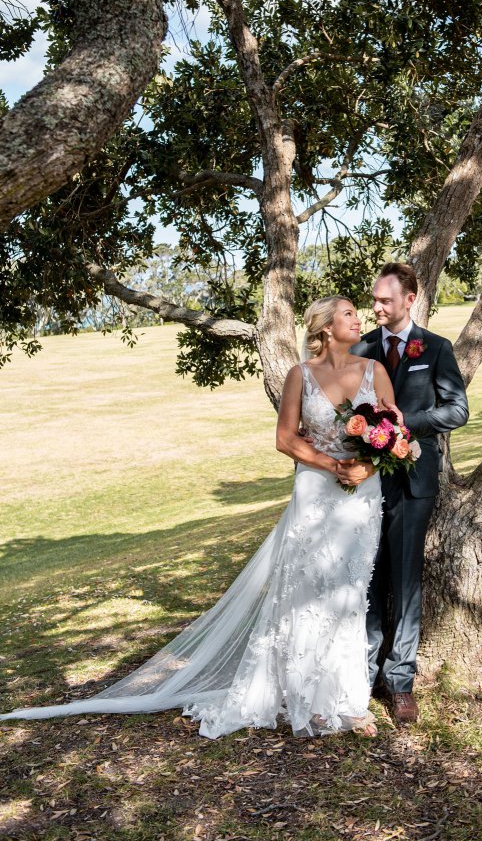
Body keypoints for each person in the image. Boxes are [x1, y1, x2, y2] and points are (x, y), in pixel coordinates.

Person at [0, 296, 396, 739]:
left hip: (362, 493)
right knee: (306, 589)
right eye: (347, 314)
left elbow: (393, 433)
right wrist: (331, 465)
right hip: (316, 490)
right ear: (324, 327)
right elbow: (285, 439)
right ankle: (310, 700)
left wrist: (366, 467)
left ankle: (346, 698)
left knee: (349, 590)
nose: (357, 318)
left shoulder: (374, 371)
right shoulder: (299, 376)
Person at [352, 262, 469, 725]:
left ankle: (400, 681)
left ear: (409, 300)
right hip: (363, 482)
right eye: (374, 299)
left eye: (385, 300)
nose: (376, 306)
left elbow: (457, 410)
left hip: (414, 480)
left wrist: (407, 425)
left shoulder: (435, 348)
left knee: (404, 580)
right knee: (365, 577)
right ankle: (361, 673)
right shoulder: (359, 349)